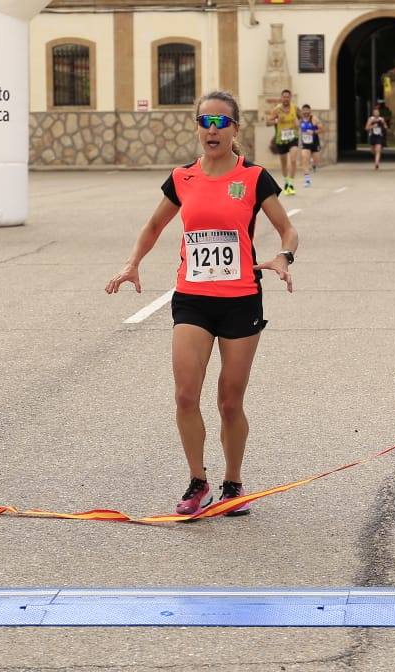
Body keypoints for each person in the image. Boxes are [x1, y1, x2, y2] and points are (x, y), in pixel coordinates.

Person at [106, 90, 298, 517]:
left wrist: (284, 257)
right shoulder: (182, 177)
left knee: (230, 401)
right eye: (204, 123)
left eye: (220, 123)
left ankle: (233, 484)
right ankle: (198, 482)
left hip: (240, 300)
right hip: (192, 298)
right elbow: (155, 224)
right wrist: (132, 263)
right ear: (196, 126)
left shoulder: (253, 177)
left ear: (234, 128)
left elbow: (287, 229)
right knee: (185, 395)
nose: (212, 131)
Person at [265, 88, 301, 196]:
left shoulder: (295, 108)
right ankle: (286, 183)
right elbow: (268, 122)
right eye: (284, 97)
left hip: (293, 138)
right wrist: (276, 120)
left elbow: (303, 119)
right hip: (281, 139)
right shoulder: (277, 109)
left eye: (288, 97)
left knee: (293, 159)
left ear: (290, 97)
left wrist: (298, 122)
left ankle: (291, 184)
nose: (286, 98)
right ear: (281, 98)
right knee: (284, 163)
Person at [298, 104, 322, 186]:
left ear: (310, 111)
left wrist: (314, 132)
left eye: (307, 110)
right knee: (305, 159)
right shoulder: (300, 120)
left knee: (317, 160)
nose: (305, 112)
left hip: (315, 143)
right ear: (302, 111)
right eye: (304, 110)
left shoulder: (314, 119)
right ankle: (307, 180)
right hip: (305, 143)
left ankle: (314, 164)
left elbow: (322, 129)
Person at [365, 104, 388, 169]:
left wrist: (384, 125)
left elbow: (386, 127)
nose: (376, 113)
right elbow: (366, 128)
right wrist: (372, 126)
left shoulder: (381, 119)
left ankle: (376, 164)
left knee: (378, 150)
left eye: (377, 112)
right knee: (373, 151)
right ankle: (375, 157)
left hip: (379, 136)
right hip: (372, 136)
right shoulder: (370, 119)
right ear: (373, 113)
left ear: (379, 113)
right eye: (375, 112)